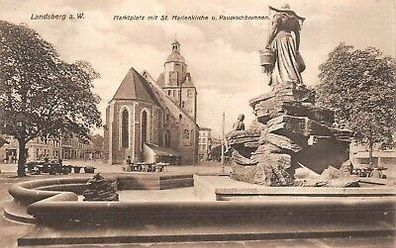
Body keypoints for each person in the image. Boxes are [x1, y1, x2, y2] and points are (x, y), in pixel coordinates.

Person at [263, 4, 305, 88]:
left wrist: (268, 43)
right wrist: (297, 48)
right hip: (290, 39)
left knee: (282, 60)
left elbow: (273, 30)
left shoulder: (278, 16)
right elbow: (297, 35)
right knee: (291, 60)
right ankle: (294, 78)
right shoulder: (294, 19)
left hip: (280, 39)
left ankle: (285, 79)